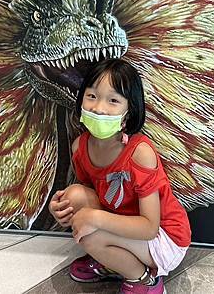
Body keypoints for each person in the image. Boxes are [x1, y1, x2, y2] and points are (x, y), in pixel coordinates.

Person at [49, 58, 191, 294]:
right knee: (73, 197)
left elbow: (149, 228)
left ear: (128, 112)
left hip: (164, 238)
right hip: (124, 225)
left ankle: (145, 281)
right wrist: (61, 210)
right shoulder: (80, 147)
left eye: (113, 100)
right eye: (92, 96)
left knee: (91, 238)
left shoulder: (140, 153)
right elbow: (91, 196)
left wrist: (96, 220)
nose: (98, 108)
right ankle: (112, 260)